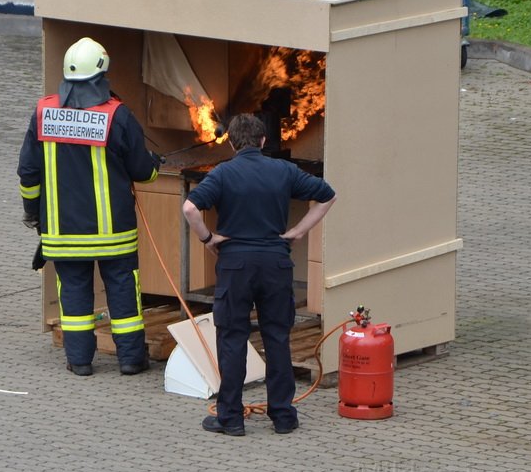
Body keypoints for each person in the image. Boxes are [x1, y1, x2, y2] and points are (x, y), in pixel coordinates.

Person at [182, 114, 336, 435]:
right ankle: (283, 416)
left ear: (233, 144)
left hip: (235, 266)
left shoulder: (222, 173)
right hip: (275, 264)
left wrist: (208, 239)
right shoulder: (284, 170)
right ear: (264, 141)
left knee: (233, 339)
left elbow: (190, 209)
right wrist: (297, 231)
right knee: (277, 337)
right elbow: (328, 195)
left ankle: (231, 418)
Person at [18, 37, 161, 377]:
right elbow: (144, 171)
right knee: (124, 293)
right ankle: (130, 360)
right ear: (102, 75)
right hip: (113, 234)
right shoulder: (117, 115)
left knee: (75, 296)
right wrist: (155, 164)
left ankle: (80, 361)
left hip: (63, 232)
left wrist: (33, 212)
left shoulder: (43, 112)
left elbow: (28, 172)